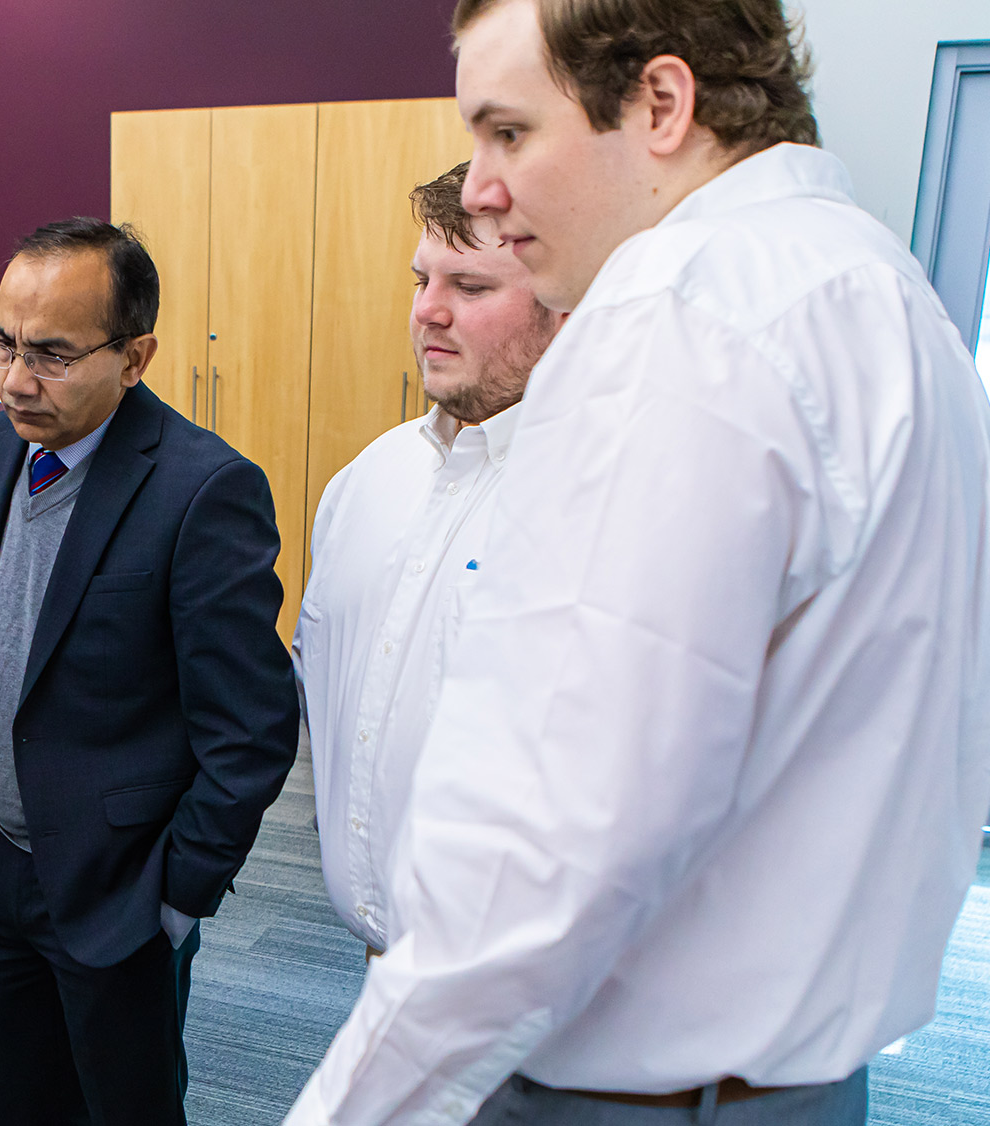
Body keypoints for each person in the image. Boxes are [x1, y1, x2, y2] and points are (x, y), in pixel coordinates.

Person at [286, 1, 990, 1122]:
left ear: (661, 104)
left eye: (507, 132)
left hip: (620, 1089)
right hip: (800, 1081)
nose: (475, 185)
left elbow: (543, 849)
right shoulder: (881, 292)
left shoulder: (674, 317)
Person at [0, 218, 300, 1125]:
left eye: (51, 354)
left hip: (121, 889)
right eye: (3, 343)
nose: (14, 378)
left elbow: (251, 732)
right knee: (25, 1101)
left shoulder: (204, 491)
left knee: (126, 1109)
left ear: (135, 358)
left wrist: (177, 900)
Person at [292, 160, 562, 959]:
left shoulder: (597, 502)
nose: (428, 313)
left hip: (526, 1002)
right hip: (383, 966)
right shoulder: (367, 480)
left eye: (471, 288)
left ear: (568, 308)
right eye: (421, 280)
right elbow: (324, 680)